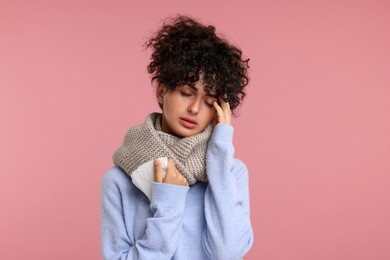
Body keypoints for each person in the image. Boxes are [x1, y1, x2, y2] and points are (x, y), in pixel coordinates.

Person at [101, 15, 254, 259]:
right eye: (186, 93)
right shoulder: (119, 181)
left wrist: (220, 153)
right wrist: (168, 200)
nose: (194, 108)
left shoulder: (230, 172)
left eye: (208, 101)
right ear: (162, 92)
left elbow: (226, 253)